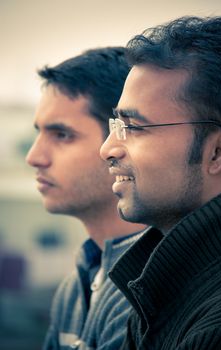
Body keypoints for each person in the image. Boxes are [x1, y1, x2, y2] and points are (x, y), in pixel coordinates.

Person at [100, 16, 221, 349]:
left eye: (135, 127)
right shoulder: (162, 283)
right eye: (117, 125)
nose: (108, 149)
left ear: (219, 150)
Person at [26, 47, 146, 350]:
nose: (34, 157)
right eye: (39, 133)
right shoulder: (72, 288)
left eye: (62, 135)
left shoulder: (152, 290)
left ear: (119, 139)